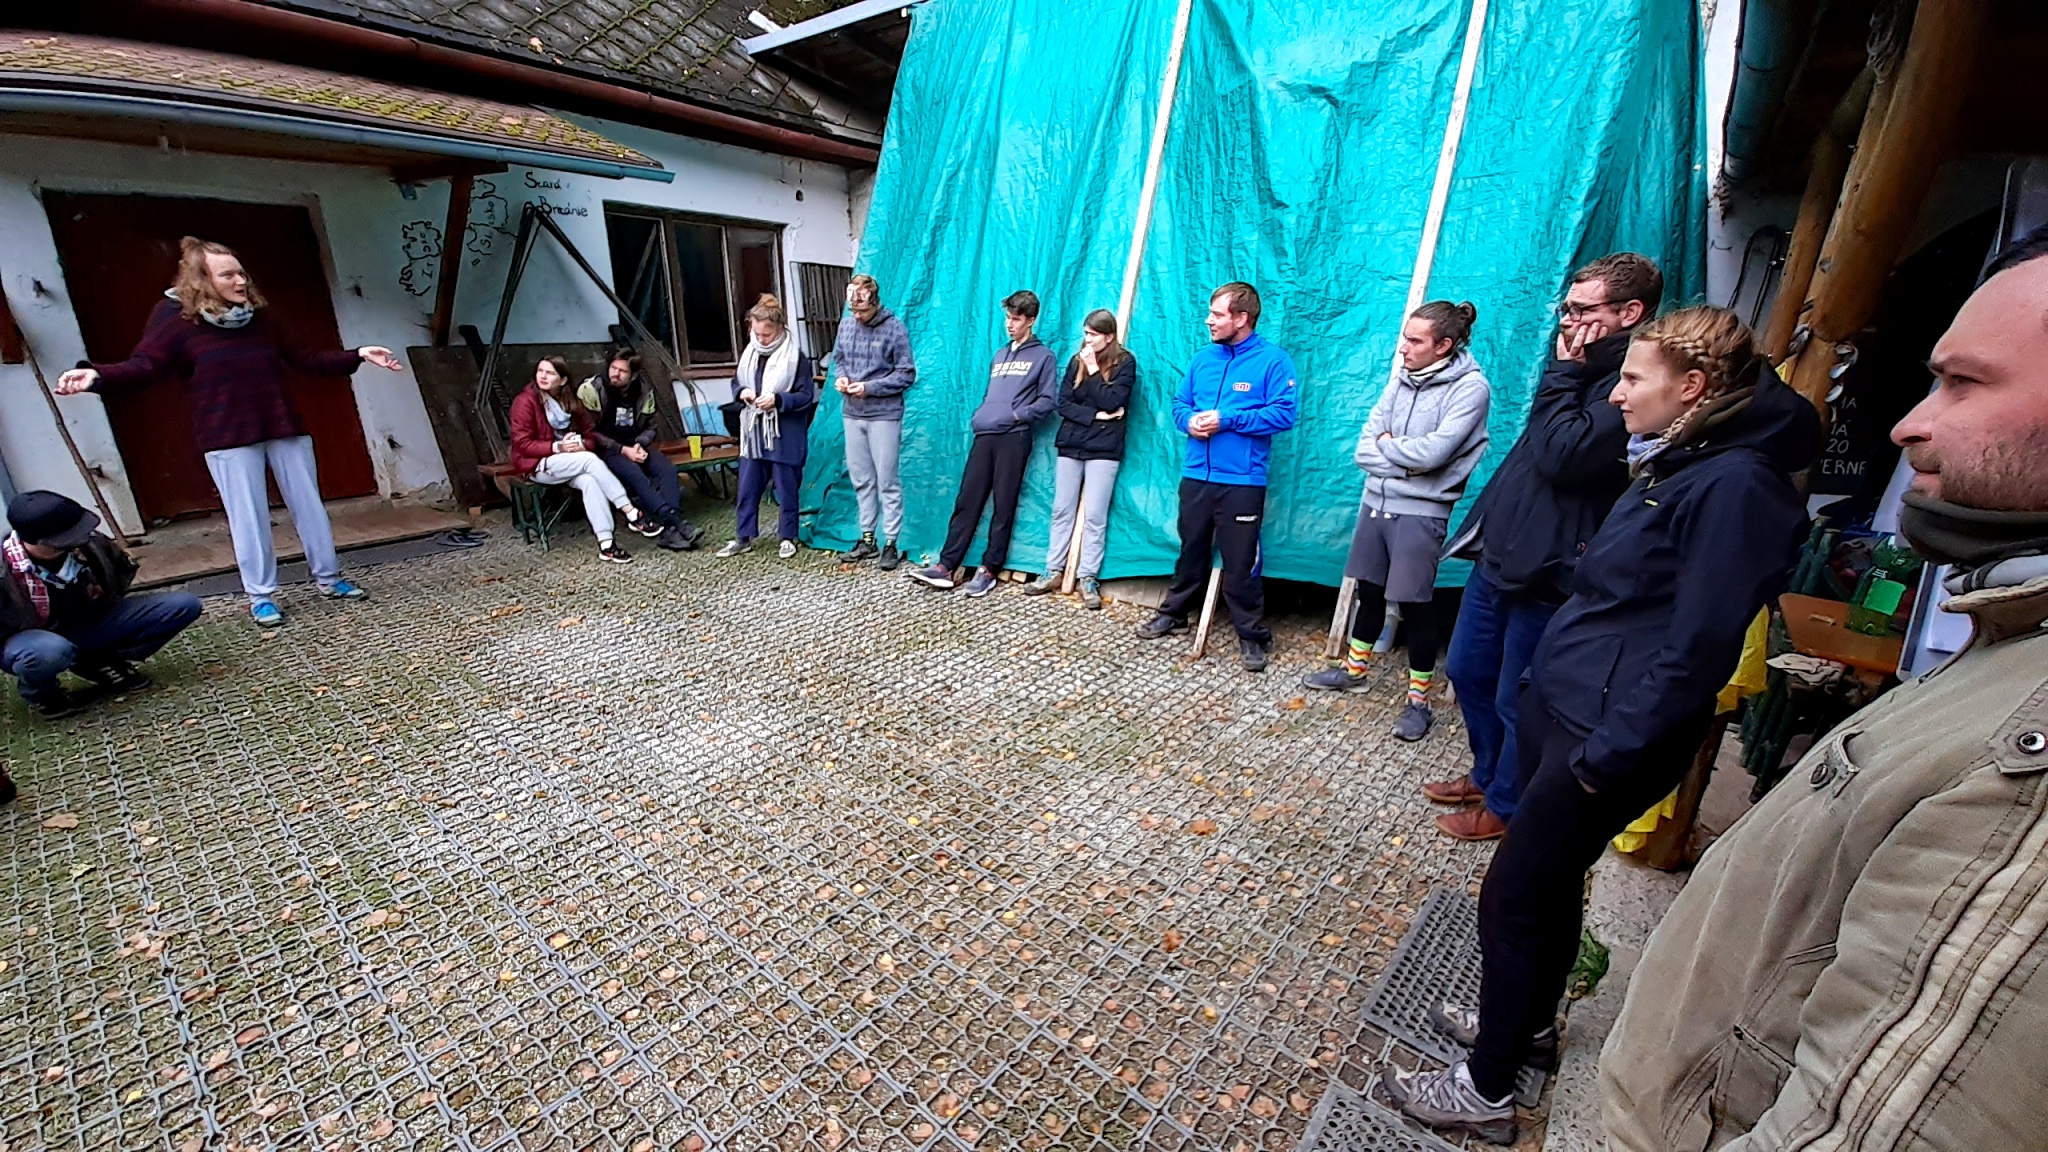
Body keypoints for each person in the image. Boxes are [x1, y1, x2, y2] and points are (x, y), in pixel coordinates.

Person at [1600, 235, 2048, 1151]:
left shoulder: (2029, 745)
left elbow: (1885, 1115)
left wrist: (1604, 749)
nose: (1907, 426)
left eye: (1963, 384)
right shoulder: (2008, 637)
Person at [1383, 306, 1821, 1144]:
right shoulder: (1688, 458)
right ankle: (1525, 1029)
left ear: (1692, 387)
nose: (1615, 394)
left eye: (1631, 378)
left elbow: (1698, 647)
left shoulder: (1738, 486)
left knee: (1513, 895)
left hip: (1605, 735)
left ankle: (1485, 1091)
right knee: (1547, 889)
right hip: (1573, 708)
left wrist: (1608, 754)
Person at [1427, 253, 1662, 842]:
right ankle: (1488, 774)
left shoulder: (1627, 385)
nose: (1568, 322)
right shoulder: (1578, 369)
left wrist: (1564, 373)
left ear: (1630, 312)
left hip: (1553, 568)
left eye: (1582, 310)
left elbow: (1564, 456)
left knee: (1518, 696)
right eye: (1567, 308)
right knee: (1467, 670)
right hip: (1504, 552)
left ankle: (1507, 806)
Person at [54, 236, 401, 628]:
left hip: (282, 424)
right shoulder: (175, 319)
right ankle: (261, 597)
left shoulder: (261, 317)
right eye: (228, 275)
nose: (241, 281)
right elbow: (145, 366)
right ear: (201, 279)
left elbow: (308, 359)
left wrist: (358, 354)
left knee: (310, 507)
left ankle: (329, 578)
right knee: (248, 517)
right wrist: (96, 375)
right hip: (226, 434)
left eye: (241, 273)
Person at [1306, 301, 1490, 743]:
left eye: (1414, 340)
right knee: (1369, 591)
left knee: (1414, 604)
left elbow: (1435, 453)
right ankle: (1355, 671)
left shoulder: (1471, 389)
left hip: (1422, 512)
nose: (1403, 348)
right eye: (1404, 337)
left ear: (1444, 346)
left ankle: (1419, 702)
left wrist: (1392, 450)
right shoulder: (1400, 381)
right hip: (1377, 504)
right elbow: (1364, 449)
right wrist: (1406, 459)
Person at [1135, 283, 1300, 671]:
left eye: (1217, 314)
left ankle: (1251, 634)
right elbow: (1180, 404)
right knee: (1190, 548)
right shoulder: (1202, 359)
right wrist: (1190, 422)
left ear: (1241, 319)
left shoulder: (1273, 361)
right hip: (1196, 475)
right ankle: (1175, 613)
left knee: (1240, 562)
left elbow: (1284, 414)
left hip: (1243, 481)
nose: (1209, 320)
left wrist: (1227, 419)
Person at [907, 291, 1060, 597]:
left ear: (1031, 320)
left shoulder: (1044, 357)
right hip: (985, 435)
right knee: (968, 499)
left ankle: (989, 569)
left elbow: (1048, 401)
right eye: (1008, 318)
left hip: (1014, 438)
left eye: (1016, 319)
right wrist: (983, 414)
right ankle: (946, 566)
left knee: (1004, 503)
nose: (1010, 324)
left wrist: (1016, 415)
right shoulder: (1000, 355)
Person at [0, 490, 203, 721]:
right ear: (40, 541)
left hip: (88, 621)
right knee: (48, 651)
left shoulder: (89, 543)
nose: (80, 538)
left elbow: (120, 573)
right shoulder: (5, 570)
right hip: (30, 641)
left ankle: (99, 661)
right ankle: (44, 694)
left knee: (182, 605)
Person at [1022, 308, 1136, 610]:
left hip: (1104, 448)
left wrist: (1095, 371)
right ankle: (1053, 570)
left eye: (1094, 335)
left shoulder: (1125, 363)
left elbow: (1113, 400)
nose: (1088, 340)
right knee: (1062, 509)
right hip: (1072, 444)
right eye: (1086, 333)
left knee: (1095, 516)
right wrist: (1097, 416)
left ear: (1108, 337)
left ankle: (1088, 577)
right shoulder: (1076, 361)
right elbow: (1063, 404)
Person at [509, 356, 658, 564]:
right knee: (589, 461)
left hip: (570, 461)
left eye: (550, 373)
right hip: (538, 464)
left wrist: (580, 443)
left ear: (562, 380)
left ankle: (607, 545)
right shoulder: (525, 402)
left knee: (590, 481)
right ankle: (631, 512)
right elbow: (522, 444)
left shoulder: (570, 400)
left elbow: (591, 435)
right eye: (540, 371)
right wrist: (558, 447)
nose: (543, 376)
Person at [718, 294, 817, 559]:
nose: (761, 339)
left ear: (780, 328)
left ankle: (788, 536)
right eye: (756, 333)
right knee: (747, 487)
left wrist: (778, 400)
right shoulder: (750, 354)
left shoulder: (796, 358)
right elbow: (737, 381)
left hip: (785, 433)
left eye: (767, 334)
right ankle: (743, 537)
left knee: (787, 488)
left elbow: (806, 396)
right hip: (754, 433)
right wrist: (742, 392)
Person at [575, 348, 705, 551]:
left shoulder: (644, 392)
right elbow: (589, 431)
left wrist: (640, 444)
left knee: (667, 470)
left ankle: (670, 529)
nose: (615, 374)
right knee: (634, 473)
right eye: (613, 368)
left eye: (622, 371)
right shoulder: (592, 389)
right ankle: (677, 523)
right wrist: (622, 449)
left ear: (633, 375)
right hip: (605, 448)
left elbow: (651, 426)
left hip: (634, 444)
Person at [832, 275, 916, 570]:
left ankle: (891, 542)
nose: (858, 316)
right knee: (861, 479)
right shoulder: (846, 325)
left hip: (884, 414)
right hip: (851, 413)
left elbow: (907, 374)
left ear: (875, 303)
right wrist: (841, 378)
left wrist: (870, 388)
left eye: (863, 311)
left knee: (887, 481)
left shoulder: (895, 328)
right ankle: (867, 538)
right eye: (854, 310)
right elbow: (839, 359)